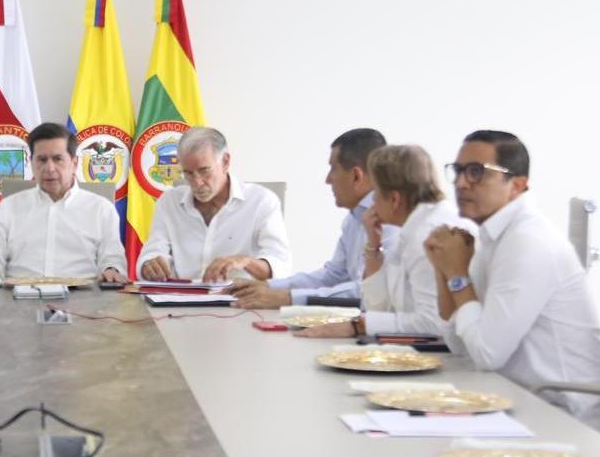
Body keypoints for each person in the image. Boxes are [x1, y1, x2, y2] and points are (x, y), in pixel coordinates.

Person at [425, 130, 600, 433]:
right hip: (515, 401)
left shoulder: (527, 241)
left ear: (517, 185)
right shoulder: (494, 235)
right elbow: (458, 344)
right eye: (458, 171)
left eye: (476, 172)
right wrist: (443, 268)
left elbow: (486, 354)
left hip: (565, 422)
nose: (461, 183)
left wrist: (458, 274)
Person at [296, 144, 461, 340]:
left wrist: (358, 326)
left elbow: (432, 323)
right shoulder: (412, 227)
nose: (372, 202)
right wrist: (373, 247)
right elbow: (378, 307)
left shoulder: (428, 235)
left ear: (394, 199)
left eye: (375, 193)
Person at [231, 128, 386, 309]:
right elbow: (333, 276)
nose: (328, 180)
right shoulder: (354, 218)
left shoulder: (389, 220)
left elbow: (368, 293)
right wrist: (268, 286)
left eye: (333, 169)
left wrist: (288, 298)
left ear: (356, 176)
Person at [0, 122, 127, 284]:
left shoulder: (101, 208)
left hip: (81, 302)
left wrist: (112, 270)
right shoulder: (9, 206)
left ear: (74, 163)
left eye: (57, 159)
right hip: (18, 300)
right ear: (32, 163)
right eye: (42, 159)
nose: (49, 168)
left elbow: (112, 259)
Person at [138, 127, 291, 282]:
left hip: (240, 301)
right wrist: (149, 265)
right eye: (188, 173)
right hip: (179, 300)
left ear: (225, 162)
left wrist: (245, 261)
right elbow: (153, 251)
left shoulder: (262, 201)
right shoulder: (169, 202)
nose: (197, 182)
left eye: (204, 170)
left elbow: (281, 266)